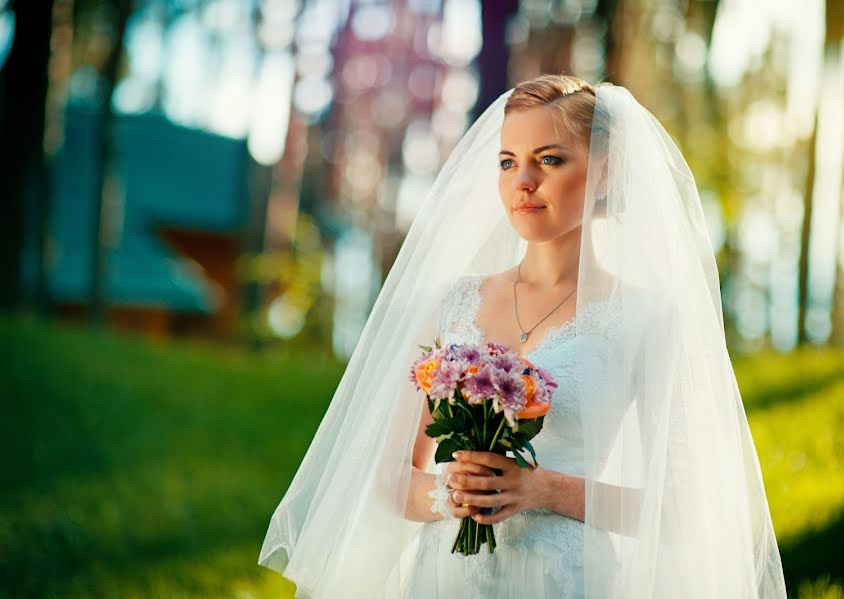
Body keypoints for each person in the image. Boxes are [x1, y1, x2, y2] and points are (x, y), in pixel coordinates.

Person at [258, 74, 789, 599]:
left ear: (604, 172)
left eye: (550, 159)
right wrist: (454, 494)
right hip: (446, 578)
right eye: (508, 162)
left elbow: (681, 509)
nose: (523, 182)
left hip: (568, 580)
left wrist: (541, 489)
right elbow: (390, 479)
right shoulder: (452, 303)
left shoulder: (646, 318)